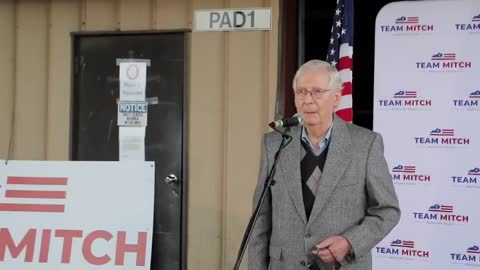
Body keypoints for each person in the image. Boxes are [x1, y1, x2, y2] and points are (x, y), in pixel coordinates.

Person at [248, 60, 400, 270]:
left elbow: (387, 210)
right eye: (301, 92)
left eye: (317, 92)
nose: (308, 100)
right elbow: (260, 219)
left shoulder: (366, 144)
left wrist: (349, 242)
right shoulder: (274, 143)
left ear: (336, 98)